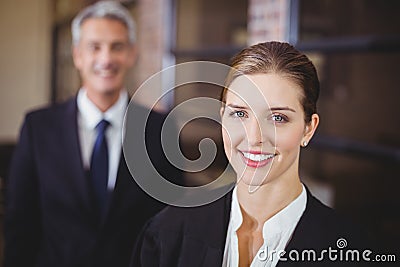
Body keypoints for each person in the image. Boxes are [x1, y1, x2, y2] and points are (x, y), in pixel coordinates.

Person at [131, 42, 367, 267]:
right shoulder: (168, 232)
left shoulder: (351, 251)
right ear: (222, 116)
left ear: (309, 129)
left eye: (277, 118)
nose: (254, 138)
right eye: (240, 114)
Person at [4, 1, 181, 267]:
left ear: (132, 54)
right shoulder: (38, 128)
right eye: (95, 47)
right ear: (77, 55)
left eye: (117, 47)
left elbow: (174, 225)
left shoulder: (159, 130)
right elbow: (20, 225)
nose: (106, 59)